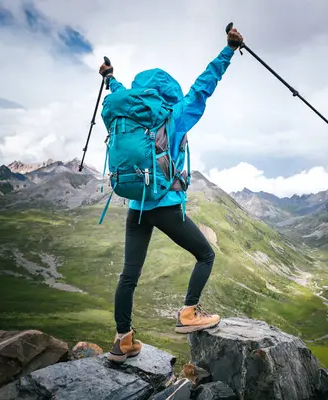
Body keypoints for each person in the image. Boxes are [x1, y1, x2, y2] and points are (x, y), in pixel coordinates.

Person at [98, 27, 244, 363]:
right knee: (205, 255)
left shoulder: (128, 111)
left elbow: (121, 90)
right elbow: (203, 87)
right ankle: (189, 313)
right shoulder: (173, 114)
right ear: (168, 92)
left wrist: (110, 78)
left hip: (135, 205)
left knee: (128, 274)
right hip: (165, 203)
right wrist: (229, 50)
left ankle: (123, 340)